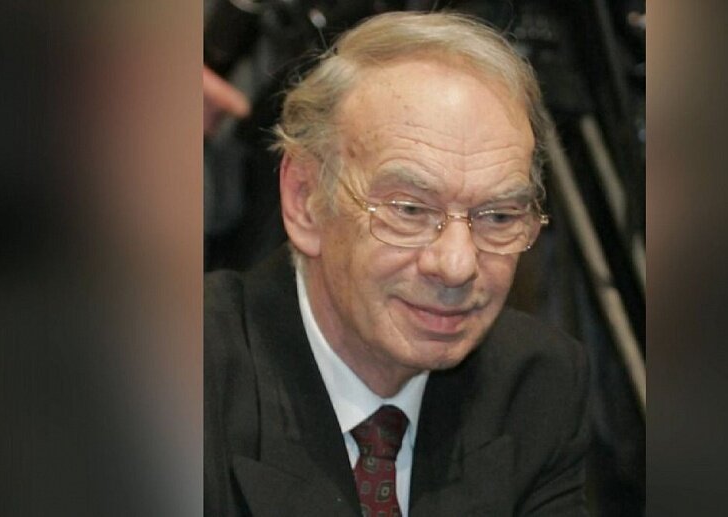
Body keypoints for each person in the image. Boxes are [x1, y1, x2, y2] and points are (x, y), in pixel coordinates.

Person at [205, 11, 591, 516]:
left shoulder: (536, 386)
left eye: (498, 216)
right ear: (305, 201)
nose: (456, 265)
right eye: (409, 210)